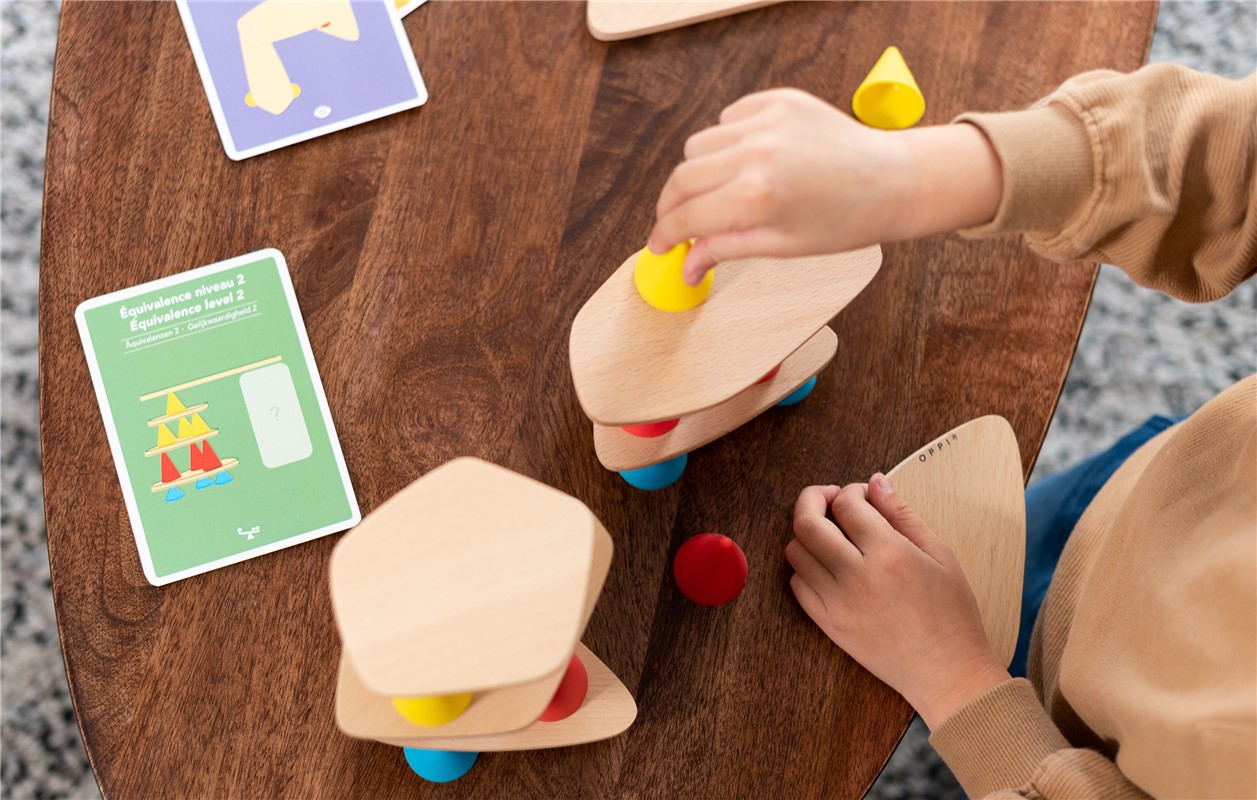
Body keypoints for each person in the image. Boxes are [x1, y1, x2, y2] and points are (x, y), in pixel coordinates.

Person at [649, 64, 1256, 798]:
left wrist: (956, 679)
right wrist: (911, 174)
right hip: (1154, 497)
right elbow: (1236, 154)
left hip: (1070, 748)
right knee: (1023, 547)